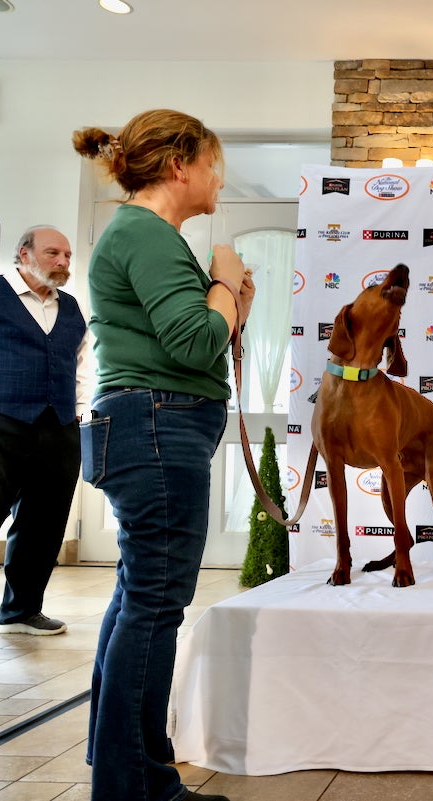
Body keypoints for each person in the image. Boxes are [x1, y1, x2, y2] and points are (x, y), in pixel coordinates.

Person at [73, 109, 255, 801]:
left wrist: (227, 299)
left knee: (136, 598)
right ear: (179, 165)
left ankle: (127, 770)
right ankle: (137, 787)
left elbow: (194, 331)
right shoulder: (147, 234)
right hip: (157, 425)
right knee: (153, 605)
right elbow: (192, 342)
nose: (217, 179)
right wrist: (223, 280)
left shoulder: (143, 233)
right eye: (211, 164)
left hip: (148, 423)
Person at [0, 225, 91, 650]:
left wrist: (77, 413)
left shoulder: (72, 307)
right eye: (52, 254)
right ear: (23, 254)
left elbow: (82, 363)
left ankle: (21, 611)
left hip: (59, 424)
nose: (62, 262)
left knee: (44, 522)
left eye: (66, 255)